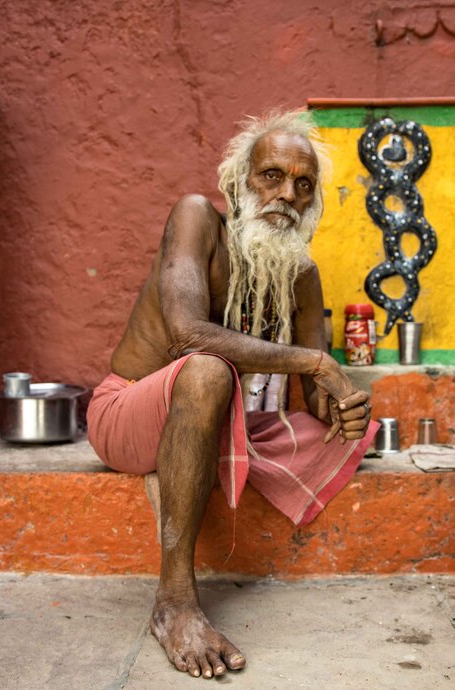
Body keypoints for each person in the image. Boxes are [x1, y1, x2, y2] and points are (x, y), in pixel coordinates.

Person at [87, 109, 378, 679]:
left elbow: (312, 395)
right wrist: (318, 361)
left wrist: (342, 407)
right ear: (236, 182)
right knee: (207, 370)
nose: (286, 195)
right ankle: (174, 603)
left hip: (218, 420)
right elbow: (188, 335)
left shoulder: (301, 274)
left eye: (303, 185)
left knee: (344, 432)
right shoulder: (197, 218)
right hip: (128, 413)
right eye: (271, 175)